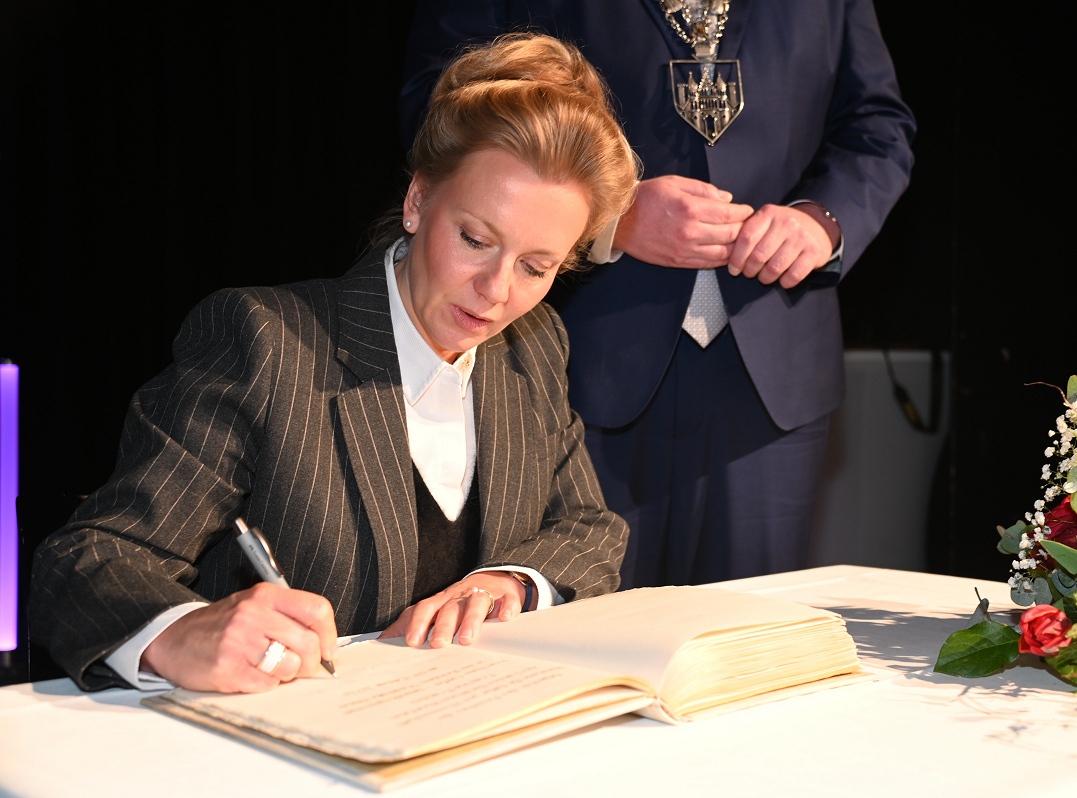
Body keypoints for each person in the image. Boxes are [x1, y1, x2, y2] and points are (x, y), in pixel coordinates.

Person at [30, 33, 639, 693]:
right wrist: (179, 632)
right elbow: (88, 558)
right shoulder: (266, 341)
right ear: (417, 201)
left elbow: (589, 528)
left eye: (536, 267)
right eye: (474, 239)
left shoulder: (535, 345)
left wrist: (509, 583)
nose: (496, 291)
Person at [401, 2, 917, 588]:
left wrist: (824, 221)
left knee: (756, 629)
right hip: (583, 355)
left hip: (775, 361)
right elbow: (443, 101)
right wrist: (606, 214)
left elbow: (877, 123)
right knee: (580, 620)